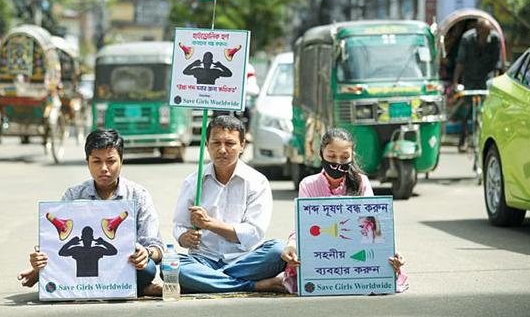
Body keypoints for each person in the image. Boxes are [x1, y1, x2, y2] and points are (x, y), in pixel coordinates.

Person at [17, 129, 165, 296]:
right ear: (87, 162)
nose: (104, 168)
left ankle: (130, 288)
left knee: (147, 268)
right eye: (96, 161)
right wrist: (39, 267)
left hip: (123, 267)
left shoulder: (139, 195)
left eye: (111, 161)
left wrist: (146, 253)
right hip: (82, 271)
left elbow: (156, 247)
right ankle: (140, 290)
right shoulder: (73, 195)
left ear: (121, 161)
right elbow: (55, 246)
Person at [280, 127, 407, 293]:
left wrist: (390, 251)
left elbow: (372, 227)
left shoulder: (362, 182)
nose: (338, 162)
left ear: (352, 157)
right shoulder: (308, 184)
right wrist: (292, 245)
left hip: (357, 253)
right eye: (332, 156)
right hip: (322, 254)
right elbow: (304, 227)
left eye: (345, 157)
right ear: (321, 154)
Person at [172, 115, 286, 293]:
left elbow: (254, 234)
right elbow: (179, 225)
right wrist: (184, 237)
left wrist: (210, 224)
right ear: (206, 145)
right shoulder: (193, 182)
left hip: (246, 259)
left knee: (279, 250)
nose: (222, 150)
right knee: (173, 265)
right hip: (204, 258)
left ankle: (207, 280)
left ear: (242, 146)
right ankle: (253, 285)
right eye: (216, 143)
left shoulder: (257, 182)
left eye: (230, 143)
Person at [452, 19, 501, 152]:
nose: (486, 36)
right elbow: (460, 61)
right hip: (470, 77)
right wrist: (456, 81)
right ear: (478, 31)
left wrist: (496, 83)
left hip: (486, 77)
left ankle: (482, 139)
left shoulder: (495, 39)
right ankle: (463, 139)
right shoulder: (467, 39)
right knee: (467, 108)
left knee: (486, 109)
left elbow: (497, 64)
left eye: (488, 33)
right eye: (484, 33)